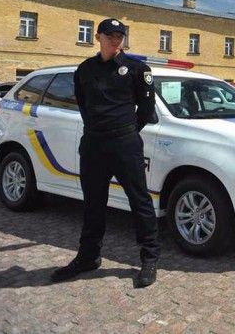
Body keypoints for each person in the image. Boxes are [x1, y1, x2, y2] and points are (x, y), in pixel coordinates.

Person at [51, 18, 160, 288]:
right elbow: (84, 105)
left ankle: (149, 259)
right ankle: (88, 256)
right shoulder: (85, 70)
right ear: (97, 37)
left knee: (140, 201)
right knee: (93, 202)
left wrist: (124, 131)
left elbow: (147, 111)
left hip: (125, 144)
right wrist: (97, 131)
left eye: (120, 35)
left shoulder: (137, 69)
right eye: (110, 35)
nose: (116, 39)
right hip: (94, 145)